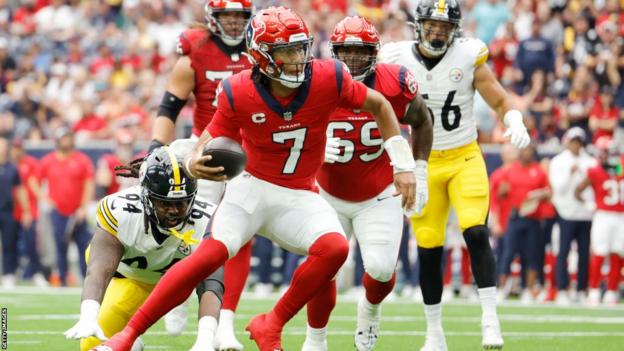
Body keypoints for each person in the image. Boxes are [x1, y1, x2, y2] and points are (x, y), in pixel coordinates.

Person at [94, 6, 416, 351]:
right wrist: (191, 163)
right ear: (262, 57)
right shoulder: (238, 89)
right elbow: (209, 139)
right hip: (252, 187)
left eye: (300, 48)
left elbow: (381, 105)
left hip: (300, 192)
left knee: (334, 249)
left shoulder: (328, 77)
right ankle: (127, 336)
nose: (298, 58)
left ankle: (271, 323)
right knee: (207, 254)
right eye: (287, 51)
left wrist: (402, 162)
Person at [379, 0, 531, 349]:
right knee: (430, 247)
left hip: (464, 155)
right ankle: (434, 334)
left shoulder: (468, 54)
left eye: (444, 28)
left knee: (476, 231)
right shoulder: (395, 57)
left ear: (455, 31)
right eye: (432, 26)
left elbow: (499, 99)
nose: (437, 33)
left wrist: (514, 118)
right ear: (418, 26)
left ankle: (490, 319)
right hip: (422, 162)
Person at [303, 16, 433, 351]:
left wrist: (418, 169)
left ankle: (370, 311)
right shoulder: (315, 81)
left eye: (361, 51)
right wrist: (312, 150)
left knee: (379, 267)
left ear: (375, 52)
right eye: (346, 50)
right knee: (321, 267)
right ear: (334, 51)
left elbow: (422, 119)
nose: (353, 58)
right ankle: (315, 339)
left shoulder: (395, 82)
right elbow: (288, 128)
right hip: (327, 191)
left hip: (378, 191)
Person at [147, 2, 254, 345]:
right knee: (190, 230)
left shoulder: (263, 48)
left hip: (252, 152)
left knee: (239, 237)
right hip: (204, 150)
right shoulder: (195, 50)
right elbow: (169, 107)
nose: (235, 23)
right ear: (213, 19)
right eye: (228, 16)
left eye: (240, 16)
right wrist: (155, 148)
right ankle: (177, 293)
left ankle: (225, 322)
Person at [65, 147, 224, 351]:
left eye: (182, 203)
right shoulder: (121, 210)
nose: (174, 211)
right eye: (165, 203)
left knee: (198, 267)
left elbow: (212, 282)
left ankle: (177, 305)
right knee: (92, 344)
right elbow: (99, 270)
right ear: (146, 197)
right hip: (126, 276)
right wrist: (88, 315)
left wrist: (205, 339)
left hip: (172, 282)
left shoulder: (209, 218)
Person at [39, 128, 95, 286]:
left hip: (78, 211)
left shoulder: (82, 160)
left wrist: (83, 207)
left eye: (68, 138)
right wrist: (45, 198)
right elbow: (34, 181)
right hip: (58, 211)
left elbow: (88, 184)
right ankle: (62, 280)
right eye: (63, 138)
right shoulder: (48, 161)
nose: (66, 141)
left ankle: (88, 281)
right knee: (60, 246)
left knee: (84, 247)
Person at [496, 143, 550, 304]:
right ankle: (502, 288)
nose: (525, 152)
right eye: (523, 149)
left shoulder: (539, 171)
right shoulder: (511, 170)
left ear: (533, 153)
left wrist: (539, 195)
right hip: (515, 217)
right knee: (508, 253)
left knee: (532, 255)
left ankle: (528, 289)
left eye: (528, 150)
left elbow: (548, 193)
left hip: (533, 218)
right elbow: (500, 194)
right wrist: (503, 191)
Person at [575, 137, 624, 306]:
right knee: (600, 253)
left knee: (618, 253)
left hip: (620, 216)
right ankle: (594, 290)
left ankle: (611, 291)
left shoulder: (619, 167)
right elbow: (578, 190)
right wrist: (589, 203)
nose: (604, 156)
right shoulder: (595, 170)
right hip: (603, 215)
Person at [548, 127, 594, 305]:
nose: (576, 145)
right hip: (565, 213)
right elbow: (558, 188)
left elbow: (592, 188)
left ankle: (582, 289)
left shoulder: (590, 161)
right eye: (573, 141)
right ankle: (562, 289)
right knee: (563, 252)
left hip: (585, 214)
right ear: (568, 141)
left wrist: (589, 204)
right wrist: (570, 173)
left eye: (579, 142)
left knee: (584, 253)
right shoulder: (559, 162)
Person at [10, 138, 47, 286]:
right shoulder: (7, 164)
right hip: (11, 210)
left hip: (28, 209)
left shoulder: (30, 163)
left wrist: (40, 200)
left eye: (18, 148)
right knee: (10, 244)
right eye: (14, 148)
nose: (16, 151)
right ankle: (11, 273)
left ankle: (36, 272)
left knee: (31, 243)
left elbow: (34, 184)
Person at [0, 137, 32, 288]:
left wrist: (26, 210)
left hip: (7, 211)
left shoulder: (12, 168)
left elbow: (20, 190)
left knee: (9, 244)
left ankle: (8, 274)